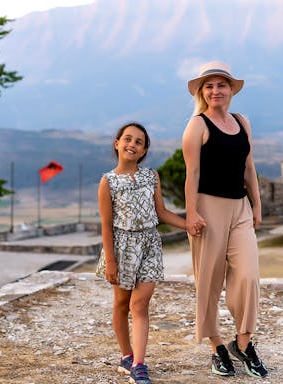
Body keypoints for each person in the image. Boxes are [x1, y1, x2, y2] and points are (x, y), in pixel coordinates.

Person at [181, 61, 268, 378]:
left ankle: (243, 343)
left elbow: (249, 168)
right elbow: (192, 175)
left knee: (248, 275)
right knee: (209, 281)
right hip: (208, 209)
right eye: (209, 86)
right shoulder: (197, 126)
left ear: (231, 89)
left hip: (240, 208)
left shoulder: (242, 122)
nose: (215, 90)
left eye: (221, 85)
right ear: (202, 92)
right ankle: (217, 345)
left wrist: (257, 205)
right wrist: (191, 213)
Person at [96, 122, 198, 384]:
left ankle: (140, 365)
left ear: (143, 151)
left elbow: (161, 213)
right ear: (117, 143)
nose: (132, 144)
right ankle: (126, 356)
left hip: (150, 244)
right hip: (122, 248)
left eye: (138, 142)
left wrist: (188, 224)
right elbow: (106, 225)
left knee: (140, 304)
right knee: (121, 304)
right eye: (127, 139)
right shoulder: (108, 182)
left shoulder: (151, 177)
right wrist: (111, 261)